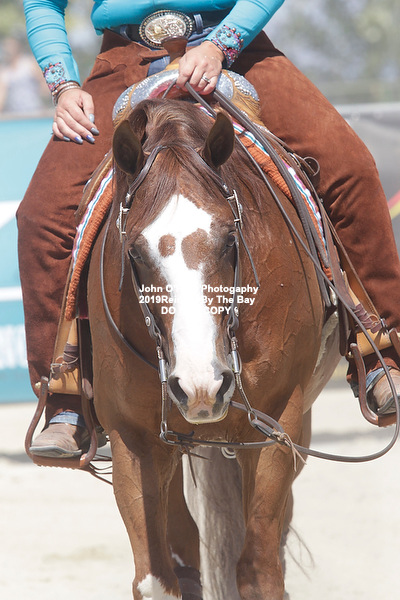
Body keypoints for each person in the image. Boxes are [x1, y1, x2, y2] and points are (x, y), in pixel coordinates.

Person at [19, 0, 400, 458]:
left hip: (237, 48)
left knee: (350, 169)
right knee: (41, 217)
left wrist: (223, 44)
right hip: (122, 58)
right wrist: (63, 85)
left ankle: (381, 350)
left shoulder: (230, 44)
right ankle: (65, 396)